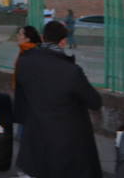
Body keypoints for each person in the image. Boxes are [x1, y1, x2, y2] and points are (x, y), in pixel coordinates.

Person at [15, 20, 102, 178]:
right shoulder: (71, 72)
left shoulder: (24, 62)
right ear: (63, 42)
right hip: (66, 151)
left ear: (42, 37)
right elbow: (95, 101)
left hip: (32, 149)